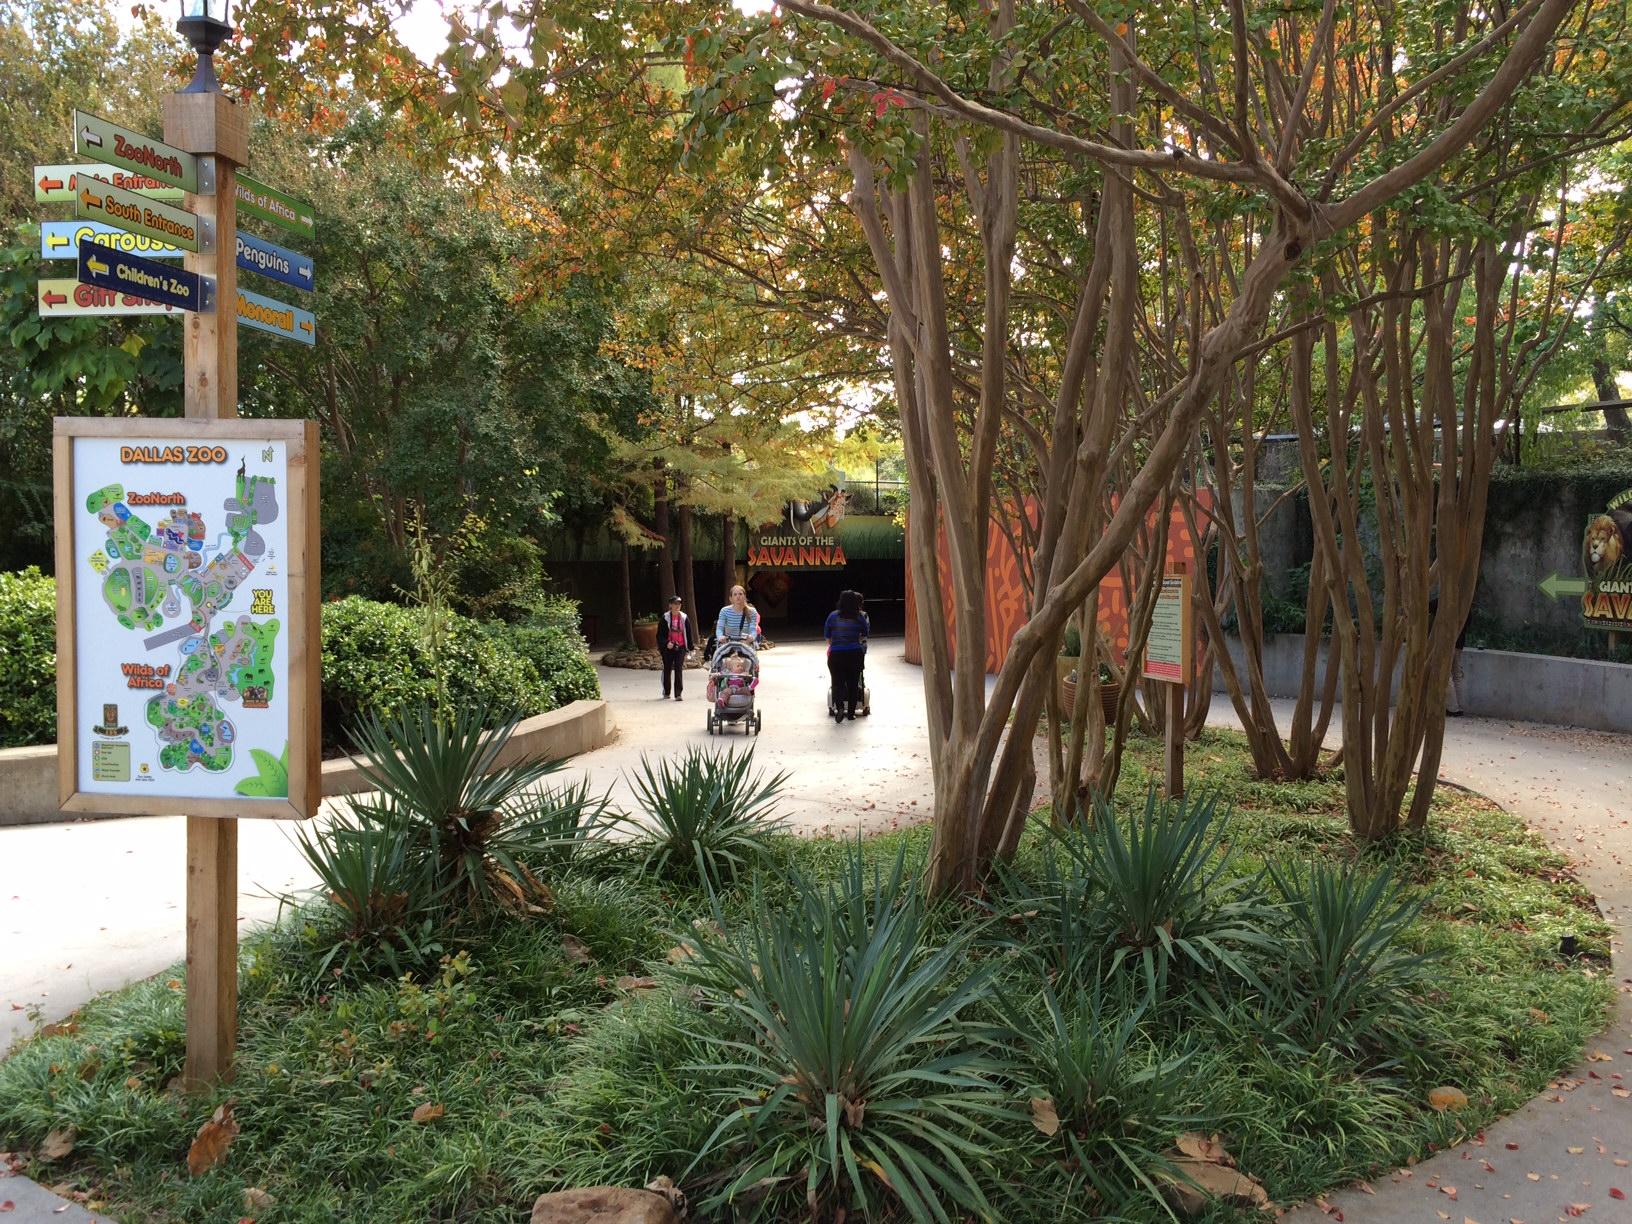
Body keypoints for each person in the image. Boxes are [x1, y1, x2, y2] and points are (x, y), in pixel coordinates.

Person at [824, 588, 869, 723]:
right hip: (854, 653)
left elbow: (827, 637)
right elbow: (864, 635)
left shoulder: (832, 616)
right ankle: (851, 714)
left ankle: (840, 707)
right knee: (853, 684)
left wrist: (837, 643)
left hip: (836, 654)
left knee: (837, 683)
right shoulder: (860, 617)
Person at [657, 595, 693, 701]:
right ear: (670, 605)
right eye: (675, 604)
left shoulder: (684, 617)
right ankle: (666, 692)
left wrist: (690, 648)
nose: (677, 606)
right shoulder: (665, 618)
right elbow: (659, 635)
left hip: (680, 647)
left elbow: (688, 633)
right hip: (668, 647)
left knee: (678, 669)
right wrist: (666, 643)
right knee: (667, 669)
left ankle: (678, 694)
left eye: (679, 604)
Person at [714, 584, 760, 654]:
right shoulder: (724, 611)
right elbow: (720, 628)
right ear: (730, 598)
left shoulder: (752, 611)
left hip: (745, 644)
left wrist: (751, 637)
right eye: (735, 594)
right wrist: (720, 637)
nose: (738, 596)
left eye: (740, 594)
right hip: (728, 645)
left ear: (744, 596)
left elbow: (753, 629)